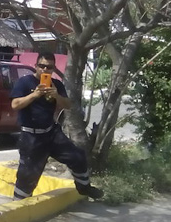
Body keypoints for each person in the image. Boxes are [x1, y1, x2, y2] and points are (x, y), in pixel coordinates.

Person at [10, 51, 104, 200]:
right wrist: (35, 95)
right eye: (42, 66)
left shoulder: (57, 85)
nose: (45, 70)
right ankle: (18, 204)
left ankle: (84, 188)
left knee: (77, 156)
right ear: (36, 66)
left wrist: (56, 96)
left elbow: (67, 104)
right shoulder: (25, 82)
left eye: (49, 67)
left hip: (51, 133)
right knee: (27, 175)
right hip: (31, 136)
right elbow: (15, 105)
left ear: (53, 69)